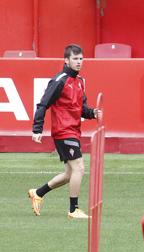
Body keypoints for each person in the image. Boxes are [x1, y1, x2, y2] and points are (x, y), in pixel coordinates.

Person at [28, 44, 102, 219]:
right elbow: (43, 104)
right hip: (63, 130)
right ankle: (73, 210)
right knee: (79, 168)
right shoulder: (59, 80)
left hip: (74, 130)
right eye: (75, 59)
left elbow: (81, 108)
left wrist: (93, 113)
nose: (78, 62)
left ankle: (37, 193)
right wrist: (37, 129)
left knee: (70, 174)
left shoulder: (81, 81)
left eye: (80, 59)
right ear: (66, 60)